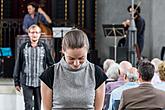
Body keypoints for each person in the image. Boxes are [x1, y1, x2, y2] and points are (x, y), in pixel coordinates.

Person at [39, 29, 108, 110]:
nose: (76, 63)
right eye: (71, 58)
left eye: (81, 58)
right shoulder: (50, 74)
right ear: (63, 51)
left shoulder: (97, 73)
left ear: (87, 51)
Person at [13, 24, 54, 110]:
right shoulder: (23, 47)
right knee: (28, 104)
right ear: (29, 34)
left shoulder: (44, 47)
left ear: (40, 34)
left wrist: (52, 79)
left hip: (40, 82)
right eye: (32, 32)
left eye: (36, 32)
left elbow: (50, 64)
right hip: (26, 81)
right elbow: (18, 64)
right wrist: (16, 81)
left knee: (38, 105)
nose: (34, 34)